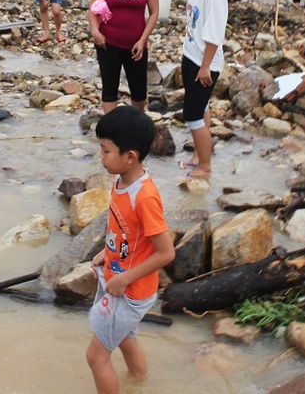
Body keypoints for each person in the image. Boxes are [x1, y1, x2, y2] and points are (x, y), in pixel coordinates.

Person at [87, 105, 174, 394]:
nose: (100, 157)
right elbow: (122, 229)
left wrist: (124, 278)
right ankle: (139, 381)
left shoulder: (145, 197)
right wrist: (105, 251)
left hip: (130, 290)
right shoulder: (119, 180)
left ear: (130, 157)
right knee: (126, 338)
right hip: (119, 280)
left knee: (96, 358)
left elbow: (166, 253)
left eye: (105, 151)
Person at [89, 0, 160, 114]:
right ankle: (111, 134)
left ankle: (136, 127)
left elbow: (154, 13)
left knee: (139, 94)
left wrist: (142, 40)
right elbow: (94, 7)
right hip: (107, 43)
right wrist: (96, 32)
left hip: (135, 45)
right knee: (109, 90)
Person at [180, 0, 230, 180]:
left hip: (204, 62)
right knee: (202, 106)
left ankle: (206, 167)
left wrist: (205, 67)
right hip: (191, 55)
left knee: (191, 114)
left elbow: (214, 34)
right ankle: (199, 155)